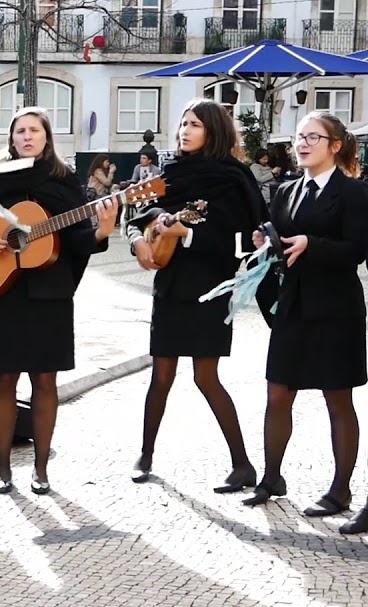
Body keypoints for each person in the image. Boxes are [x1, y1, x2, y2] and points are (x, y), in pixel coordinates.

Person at [0, 107, 117, 495]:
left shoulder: (63, 181)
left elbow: (77, 240)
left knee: (45, 380)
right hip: (1, 293)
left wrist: (102, 230)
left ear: (47, 137)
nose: (27, 136)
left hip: (49, 295)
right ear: (11, 137)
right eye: (20, 131)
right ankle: (2, 469)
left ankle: (41, 469)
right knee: (3, 379)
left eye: (34, 130)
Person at [243, 112, 368, 528]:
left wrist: (311, 244)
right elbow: (281, 243)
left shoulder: (354, 193)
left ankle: (340, 490)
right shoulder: (286, 190)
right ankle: (271, 477)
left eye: (313, 137)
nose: (303, 143)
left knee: (338, 398)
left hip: (336, 310)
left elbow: (355, 250)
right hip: (293, 306)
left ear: (335, 145)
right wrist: (267, 242)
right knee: (277, 393)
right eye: (299, 137)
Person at [128, 100, 261, 491]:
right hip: (169, 286)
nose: (185, 130)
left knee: (206, 378)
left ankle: (243, 465)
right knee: (161, 374)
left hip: (208, 288)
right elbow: (141, 214)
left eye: (195, 125)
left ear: (214, 131)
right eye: (183, 123)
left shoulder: (233, 178)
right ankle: (145, 454)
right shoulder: (170, 172)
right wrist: (138, 238)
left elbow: (241, 240)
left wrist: (187, 233)